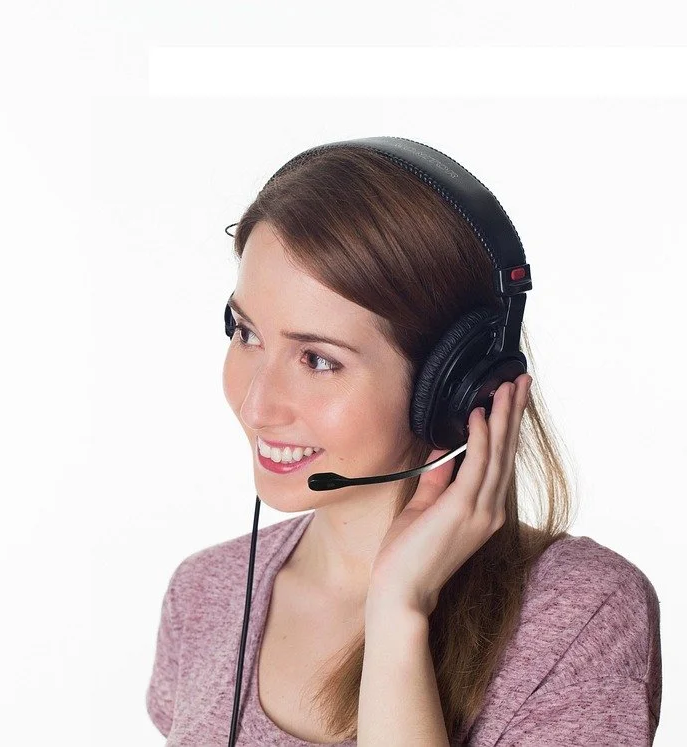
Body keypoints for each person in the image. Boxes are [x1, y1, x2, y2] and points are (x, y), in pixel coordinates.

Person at [147, 139, 661, 745]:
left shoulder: (578, 613)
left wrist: (397, 616)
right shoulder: (207, 593)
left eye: (317, 360)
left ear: (451, 384)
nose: (257, 406)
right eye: (246, 333)